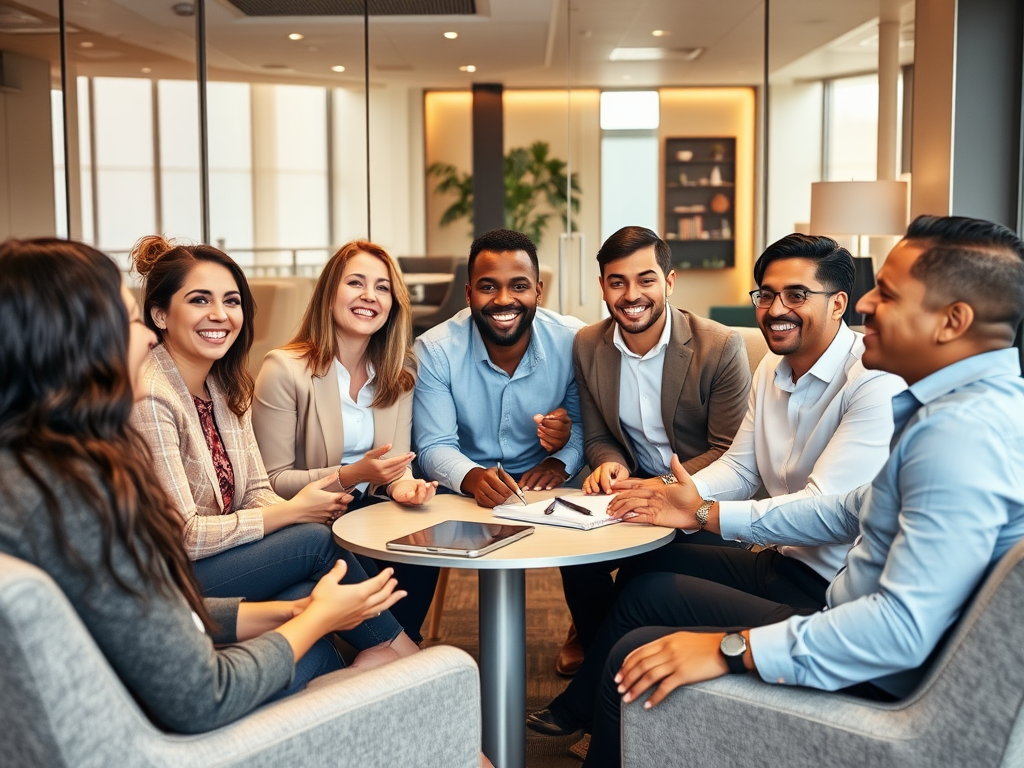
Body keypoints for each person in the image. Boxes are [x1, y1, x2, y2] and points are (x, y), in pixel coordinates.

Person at [576, 214, 1024, 768]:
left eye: (886, 293)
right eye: (767, 294)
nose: (865, 305)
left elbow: (899, 631)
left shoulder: (959, 436)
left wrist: (732, 649)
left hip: (871, 678)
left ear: (953, 320)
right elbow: (848, 509)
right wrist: (697, 510)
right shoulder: (956, 410)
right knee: (648, 587)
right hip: (842, 616)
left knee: (634, 651)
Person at [0, 237, 406, 732]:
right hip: (185, 731)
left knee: (315, 599)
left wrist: (301, 610)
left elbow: (149, 610)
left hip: (154, 679)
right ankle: (399, 681)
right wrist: (313, 619)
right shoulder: (77, 494)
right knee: (387, 667)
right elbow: (201, 691)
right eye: (129, 322)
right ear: (71, 339)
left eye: (231, 300)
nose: (146, 338)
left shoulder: (43, 472)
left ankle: (382, 701)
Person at [545, 232, 907, 682]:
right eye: (767, 295)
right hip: (782, 558)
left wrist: (700, 510)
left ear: (838, 304)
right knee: (647, 565)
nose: (776, 310)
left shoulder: (873, 382)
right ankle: (593, 698)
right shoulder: (772, 369)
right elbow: (740, 465)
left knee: (650, 590)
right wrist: (682, 495)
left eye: (796, 295)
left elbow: (824, 511)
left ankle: (585, 706)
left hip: (829, 588)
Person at [128, 236, 420, 658]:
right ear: (160, 313)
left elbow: (254, 491)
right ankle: (403, 654)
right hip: (169, 577)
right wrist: (293, 512)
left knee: (309, 596)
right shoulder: (152, 397)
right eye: (199, 300)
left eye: (231, 301)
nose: (220, 315)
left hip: (223, 558)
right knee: (316, 542)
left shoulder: (224, 386)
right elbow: (183, 536)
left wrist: (292, 513)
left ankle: (362, 670)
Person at [252, 240, 439, 642]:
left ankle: (399, 645)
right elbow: (270, 482)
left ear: (393, 303)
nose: (369, 296)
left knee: (427, 536)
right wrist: (352, 474)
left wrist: (406, 486)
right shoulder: (284, 369)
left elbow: (399, 462)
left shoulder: (400, 370)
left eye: (382, 287)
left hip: (369, 506)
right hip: (308, 516)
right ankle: (396, 653)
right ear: (330, 293)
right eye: (356, 283)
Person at [414, 228, 585, 506]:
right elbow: (435, 445)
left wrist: (559, 461)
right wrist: (473, 477)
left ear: (538, 291)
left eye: (519, 286)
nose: (504, 299)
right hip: (463, 494)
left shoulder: (573, 341)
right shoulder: (435, 351)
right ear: (469, 294)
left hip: (548, 494)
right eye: (488, 287)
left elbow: (583, 426)